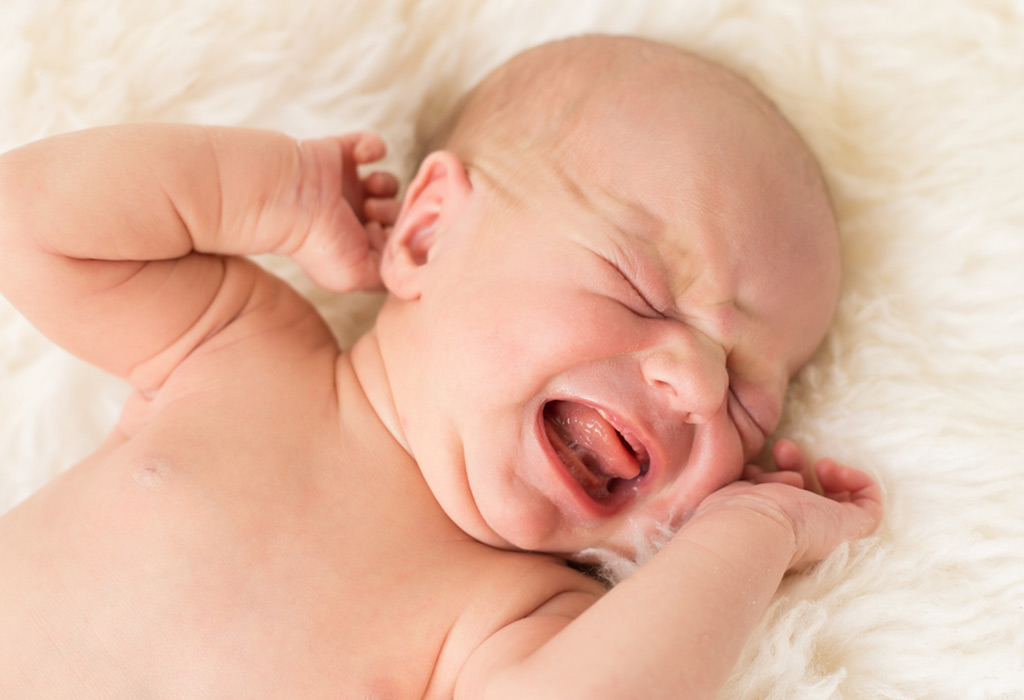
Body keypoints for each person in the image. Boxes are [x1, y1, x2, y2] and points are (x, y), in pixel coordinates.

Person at [0, 34, 881, 700]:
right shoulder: (244, 349)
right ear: (427, 234)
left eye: (747, 404)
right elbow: (32, 224)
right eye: (642, 290)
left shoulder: (517, 618)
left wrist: (753, 535)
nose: (695, 386)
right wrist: (280, 194)